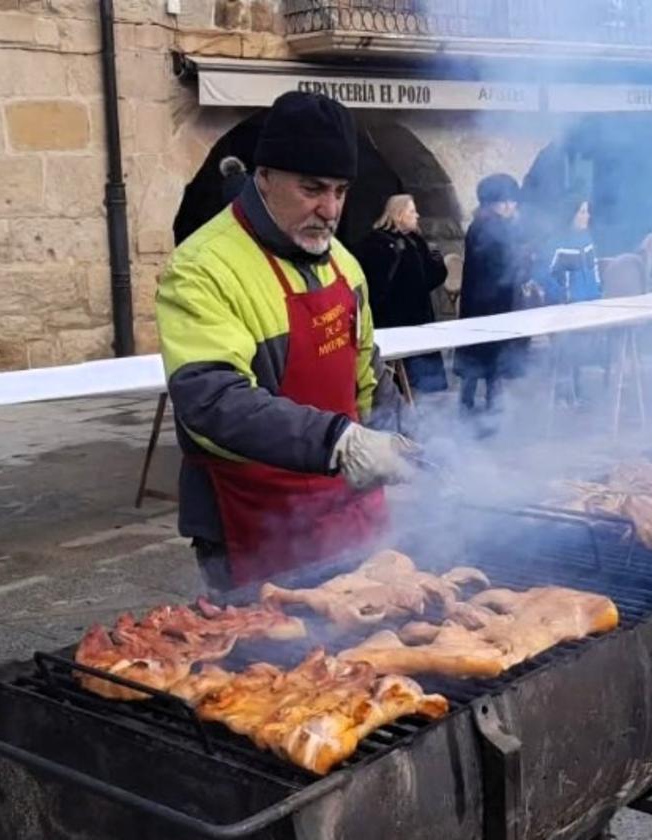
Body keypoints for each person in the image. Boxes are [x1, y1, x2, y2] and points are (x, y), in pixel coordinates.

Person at [156, 91, 418, 596]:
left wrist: (409, 437)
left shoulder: (343, 262)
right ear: (265, 178)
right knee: (267, 668)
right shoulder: (202, 267)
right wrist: (340, 442)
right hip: (253, 523)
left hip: (350, 510)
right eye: (312, 188)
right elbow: (211, 402)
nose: (331, 208)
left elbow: (367, 374)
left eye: (341, 191)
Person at [353, 194, 449, 392]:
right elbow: (373, 285)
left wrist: (438, 264)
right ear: (398, 214)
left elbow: (428, 280)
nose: (417, 215)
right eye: (412, 211)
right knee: (397, 382)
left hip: (419, 317)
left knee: (423, 382)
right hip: (392, 321)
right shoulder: (375, 244)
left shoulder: (415, 240)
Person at [454, 173, 524, 417]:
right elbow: (504, 266)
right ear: (499, 202)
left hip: (478, 301)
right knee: (491, 358)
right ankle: (492, 411)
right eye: (509, 200)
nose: (513, 206)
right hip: (491, 303)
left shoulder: (479, 224)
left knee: (474, 358)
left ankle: (467, 404)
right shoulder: (495, 227)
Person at [536, 199, 602, 407]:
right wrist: (561, 294)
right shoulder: (557, 243)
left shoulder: (587, 239)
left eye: (587, 211)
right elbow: (541, 273)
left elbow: (595, 269)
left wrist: (597, 293)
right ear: (571, 215)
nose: (587, 216)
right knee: (564, 354)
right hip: (564, 308)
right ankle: (561, 396)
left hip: (586, 305)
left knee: (578, 354)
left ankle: (576, 392)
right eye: (582, 212)